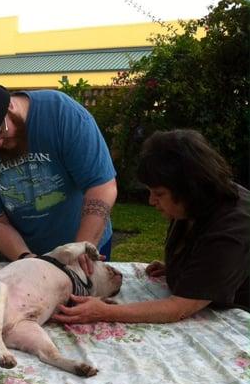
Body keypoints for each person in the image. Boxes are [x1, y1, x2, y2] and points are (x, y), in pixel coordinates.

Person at [53, 129, 250, 324]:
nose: (151, 201)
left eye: (159, 193)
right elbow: (207, 253)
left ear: (190, 189)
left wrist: (104, 311)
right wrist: (183, 267)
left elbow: (179, 308)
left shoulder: (232, 228)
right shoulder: (195, 204)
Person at [0, 77, 117, 266]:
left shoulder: (62, 114)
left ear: (10, 106)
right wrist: (27, 260)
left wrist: (81, 247)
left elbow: (101, 186)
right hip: (28, 252)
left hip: (87, 242)